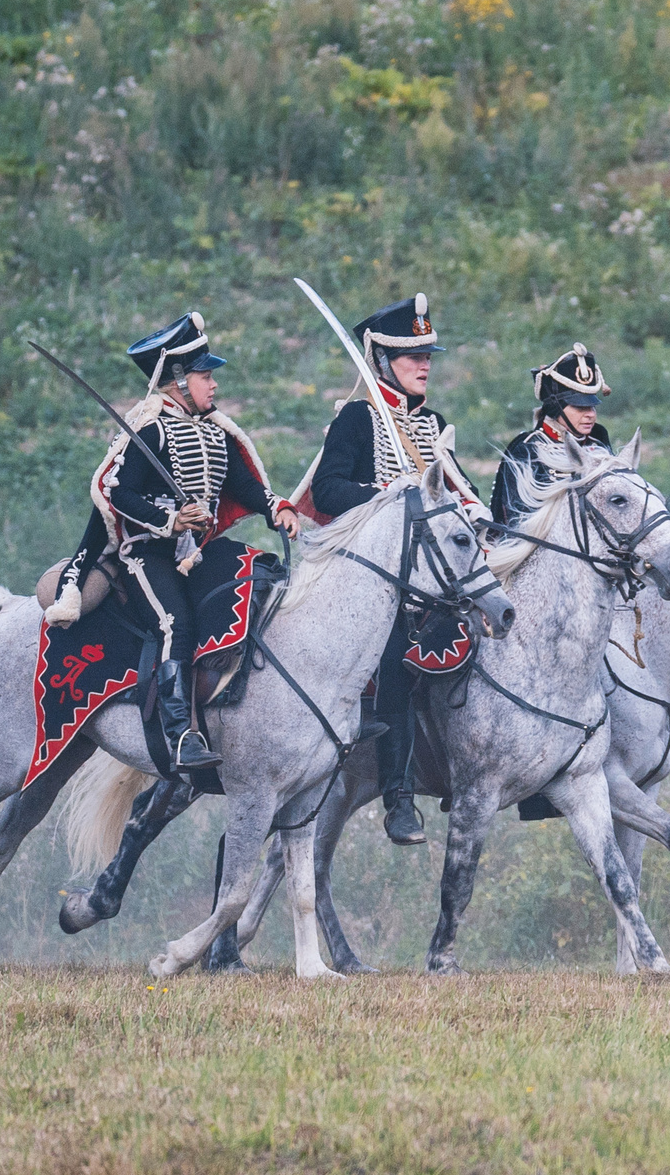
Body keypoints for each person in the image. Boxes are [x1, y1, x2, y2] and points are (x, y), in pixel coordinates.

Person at [69, 313, 297, 778]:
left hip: (195, 552)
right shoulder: (148, 431)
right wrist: (170, 520)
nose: (213, 386)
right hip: (146, 553)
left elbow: (243, 483)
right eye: (205, 376)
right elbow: (116, 492)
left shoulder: (216, 432)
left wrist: (277, 507)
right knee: (176, 623)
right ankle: (181, 735)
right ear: (177, 381)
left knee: (255, 575)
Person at [308, 293, 476, 845]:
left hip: (433, 576)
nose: (425, 363)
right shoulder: (358, 418)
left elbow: (457, 490)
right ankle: (400, 799)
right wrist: (387, 498)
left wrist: (477, 515)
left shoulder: (433, 424)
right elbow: (328, 489)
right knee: (398, 661)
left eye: (428, 354)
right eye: (412, 356)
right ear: (382, 361)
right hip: (374, 580)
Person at [492, 342, 612, 528]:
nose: (590, 414)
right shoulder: (528, 448)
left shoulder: (599, 444)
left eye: (592, 406)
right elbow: (516, 518)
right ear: (556, 408)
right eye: (580, 407)